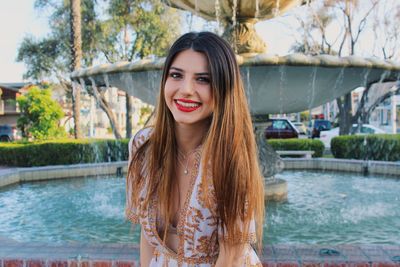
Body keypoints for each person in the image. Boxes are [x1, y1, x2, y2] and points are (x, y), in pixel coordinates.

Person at [126, 31, 265, 267]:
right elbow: (147, 239)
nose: (186, 89)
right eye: (176, 75)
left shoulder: (230, 156)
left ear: (224, 89)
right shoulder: (143, 147)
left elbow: (231, 256)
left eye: (203, 79)